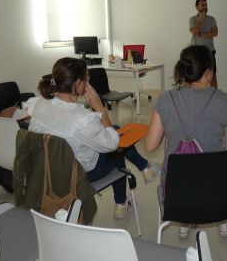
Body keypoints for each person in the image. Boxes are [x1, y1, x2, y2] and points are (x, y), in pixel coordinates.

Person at [145, 45, 227, 238]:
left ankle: (186, 220)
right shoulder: (224, 101)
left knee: (186, 173)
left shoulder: (165, 100)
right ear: (209, 73)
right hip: (220, 195)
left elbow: (150, 146)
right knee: (217, 161)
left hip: (177, 197)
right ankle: (222, 219)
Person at [29, 57, 159, 219]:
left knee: (115, 132)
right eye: (87, 78)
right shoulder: (82, 119)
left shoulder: (38, 104)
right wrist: (99, 108)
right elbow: (112, 143)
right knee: (117, 146)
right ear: (78, 84)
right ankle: (122, 203)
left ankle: (145, 167)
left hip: (50, 171)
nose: (90, 81)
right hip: (81, 174)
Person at [189, 0, 218, 88]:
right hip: (197, 52)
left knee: (212, 74)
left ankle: (214, 95)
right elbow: (194, 31)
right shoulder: (193, 19)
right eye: (202, 5)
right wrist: (200, 21)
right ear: (197, 7)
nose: (205, 6)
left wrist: (201, 34)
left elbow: (215, 33)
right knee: (195, 74)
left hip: (210, 51)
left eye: (206, 5)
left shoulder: (211, 19)